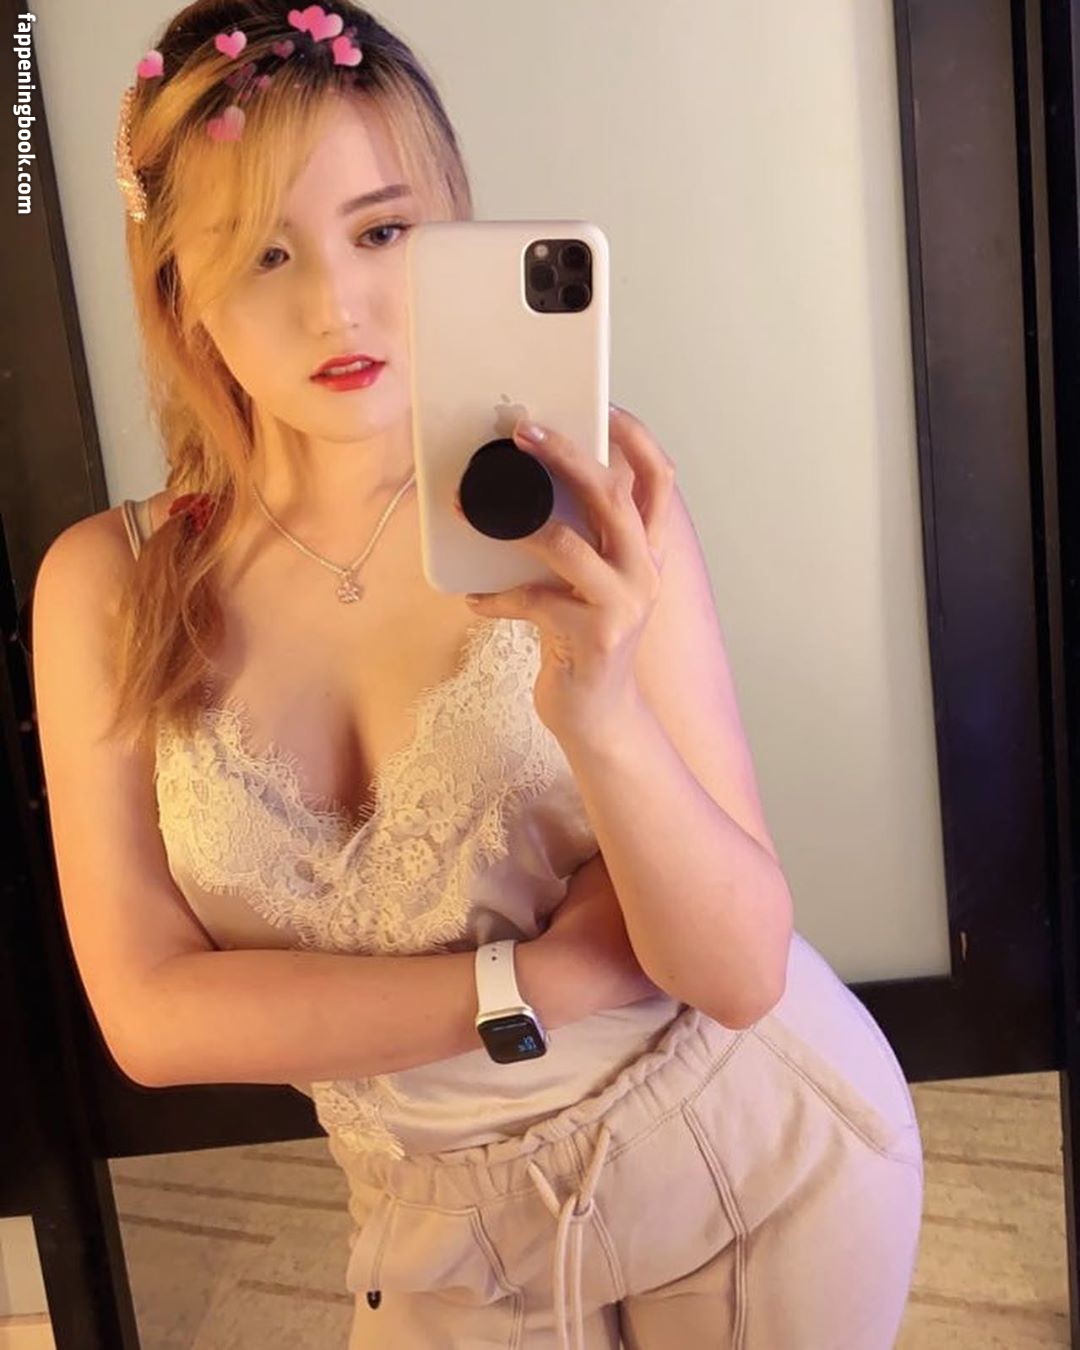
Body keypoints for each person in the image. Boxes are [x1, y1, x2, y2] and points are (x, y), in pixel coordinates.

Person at [30, 3, 924, 1346]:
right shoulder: (109, 583)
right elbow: (149, 1016)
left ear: (450, 232)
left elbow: (737, 970)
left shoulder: (583, 497)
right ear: (178, 292)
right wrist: (535, 985)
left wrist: (599, 710)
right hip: (438, 1224)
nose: (335, 303)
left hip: (752, 1149)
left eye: (383, 231)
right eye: (265, 250)